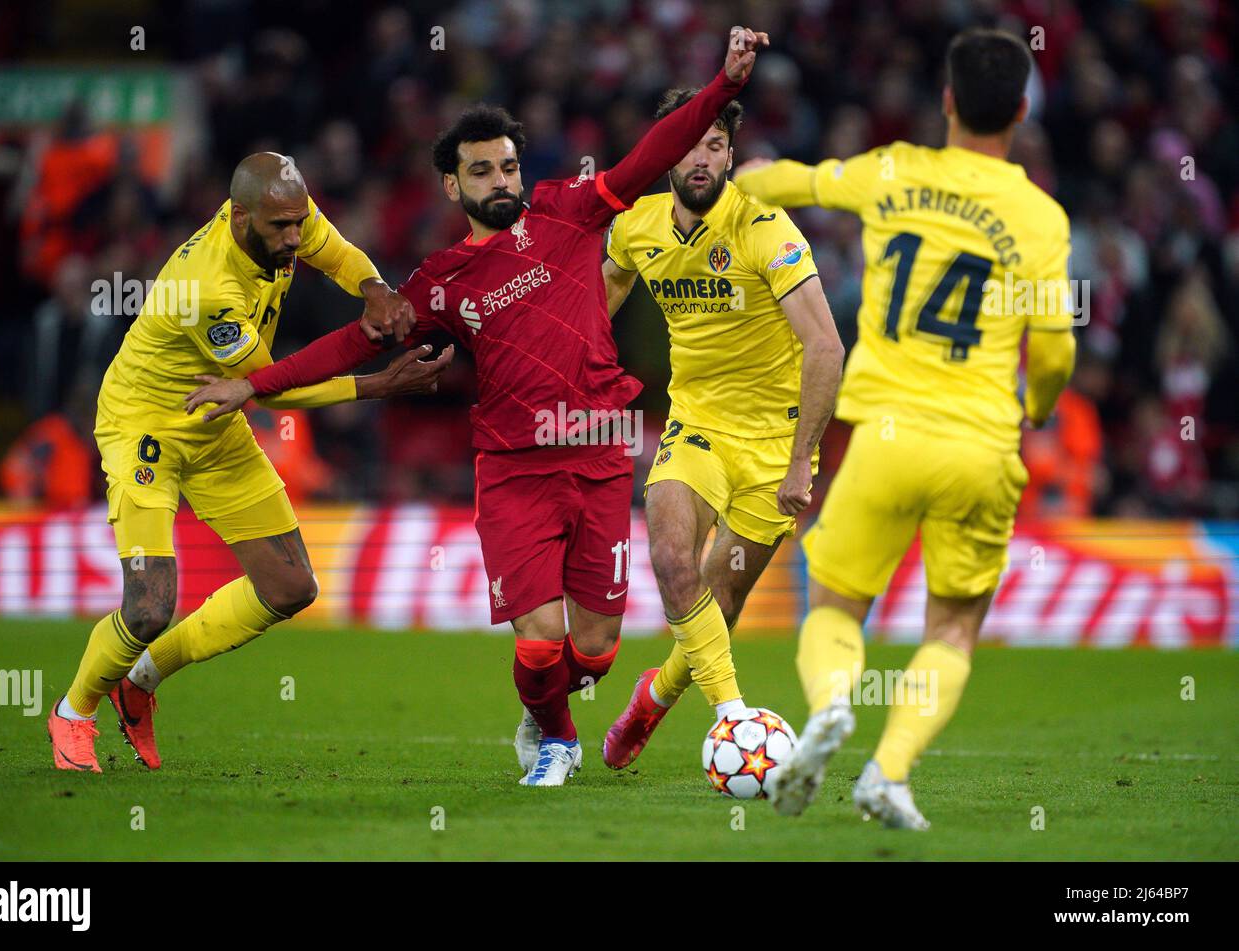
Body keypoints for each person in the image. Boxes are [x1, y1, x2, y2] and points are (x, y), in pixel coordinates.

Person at [185, 27, 771, 787]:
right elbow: (354, 343)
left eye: (509, 165)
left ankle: (547, 709)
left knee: (591, 652)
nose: (501, 179)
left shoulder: (570, 211)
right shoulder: (440, 281)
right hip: (513, 471)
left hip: (597, 454)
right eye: (482, 169)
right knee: (537, 641)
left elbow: (654, 153)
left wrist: (722, 85)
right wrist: (251, 385)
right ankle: (557, 740)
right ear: (452, 187)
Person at [735, 27, 1076, 828]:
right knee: (953, 624)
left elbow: (798, 180)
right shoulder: (1040, 216)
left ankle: (827, 708)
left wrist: (749, 177)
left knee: (836, 605)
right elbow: (1055, 350)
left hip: (885, 437)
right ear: (1021, 110)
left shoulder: (892, 171)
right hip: (980, 444)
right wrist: (1040, 407)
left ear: (947, 101)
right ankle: (888, 773)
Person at [47, 152, 452, 773]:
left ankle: (142, 682)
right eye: (280, 229)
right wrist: (373, 383)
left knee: (290, 587)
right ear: (240, 218)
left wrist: (375, 289)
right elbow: (269, 384)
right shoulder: (205, 290)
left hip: (217, 421)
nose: (295, 238)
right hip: (146, 424)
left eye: (299, 222)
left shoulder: (282, 212)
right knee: (151, 605)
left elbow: (338, 252)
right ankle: (74, 713)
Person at [598, 88, 842, 769]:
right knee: (674, 560)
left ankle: (654, 696)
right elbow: (591, 315)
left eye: (716, 146)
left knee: (718, 595)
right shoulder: (635, 229)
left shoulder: (766, 229)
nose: (703, 159)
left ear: (731, 155)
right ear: (665, 151)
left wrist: (801, 462)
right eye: (690, 145)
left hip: (775, 446)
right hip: (697, 426)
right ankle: (735, 720)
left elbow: (826, 346)